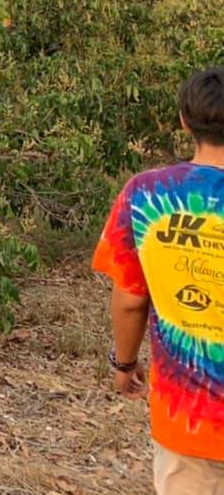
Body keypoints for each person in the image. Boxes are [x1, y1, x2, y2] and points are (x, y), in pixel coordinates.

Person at [93, 66, 224, 493]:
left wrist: (124, 364)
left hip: (189, 418)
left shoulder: (146, 194)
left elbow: (130, 299)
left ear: (185, 121)